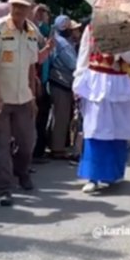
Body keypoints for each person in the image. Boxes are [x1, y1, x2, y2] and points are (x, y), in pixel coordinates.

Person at [0, 0, 53, 206]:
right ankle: (4, 188)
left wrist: (32, 96)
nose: (19, 10)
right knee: (0, 145)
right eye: (15, 6)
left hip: (22, 97)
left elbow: (32, 65)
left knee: (27, 142)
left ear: (32, 9)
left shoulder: (32, 31)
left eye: (23, 7)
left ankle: (22, 173)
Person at [73, 0, 130, 194]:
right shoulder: (91, 28)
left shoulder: (125, 28)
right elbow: (83, 55)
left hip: (118, 82)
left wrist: (120, 47)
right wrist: (79, 80)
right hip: (96, 82)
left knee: (117, 129)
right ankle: (93, 176)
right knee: (94, 129)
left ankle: (113, 173)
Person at [49, 14, 78, 158]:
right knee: (61, 117)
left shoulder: (59, 40)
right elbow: (73, 64)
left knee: (59, 116)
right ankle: (57, 149)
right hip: (62, 81)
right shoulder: (63, 44)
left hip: (59, 81)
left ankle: (57, 146)